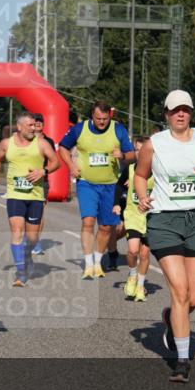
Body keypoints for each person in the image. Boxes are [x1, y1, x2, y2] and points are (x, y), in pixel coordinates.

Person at [135, 90, 195, 383]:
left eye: (186, 110)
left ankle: (171, 320)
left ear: (191, 113)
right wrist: (141, 196)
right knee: (180, 291)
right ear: (166, 114)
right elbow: (140, 175)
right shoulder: (155, 144)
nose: (181, 114)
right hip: (165, 220)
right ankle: (182, 361)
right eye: (175, 110)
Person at [57, 102, 135, 279]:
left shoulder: (118, 129)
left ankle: (98, 262)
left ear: (110, 116)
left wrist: (122, 156)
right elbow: (62, 147)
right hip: (87, 183)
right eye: (98, 118)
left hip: (111, 184)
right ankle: (88, 263)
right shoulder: (80, 128)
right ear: (92, 115)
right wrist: (70, 165)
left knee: (107, 227)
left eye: (105, 119)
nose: (101, 122)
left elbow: (132, 155)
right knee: (88, 221)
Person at [0, 112, 59, 286]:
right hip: (15, 195)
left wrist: (43, 172)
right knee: (17, 231)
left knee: (33, 237)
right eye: (30, 125)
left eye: (35, 125)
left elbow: (56, 161)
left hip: (35, 196)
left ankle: (27, 257)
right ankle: (21, 273)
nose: (33, 128)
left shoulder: (41, 144)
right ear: (19, 127)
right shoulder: (7, 144)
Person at [114, 136, 152, 301]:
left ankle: (141, 285)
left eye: (144, 149)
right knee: (133, 250)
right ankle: (132, 275)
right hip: (133, 213)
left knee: (144, 254)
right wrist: (117, 204)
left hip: (151, 216)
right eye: (137, 149)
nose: (140, 152)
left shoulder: (158, 171)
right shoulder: (129, 169)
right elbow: (118, 185)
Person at [30, 113, 55, 255]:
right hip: (26, 180)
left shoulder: (49, 142)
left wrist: (44, 171)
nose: (38, 123)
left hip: (42, 181)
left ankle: (36, 242)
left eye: (40, 121)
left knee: (39, 211)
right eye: (36, 121)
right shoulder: (27, 139)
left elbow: (53, 161)